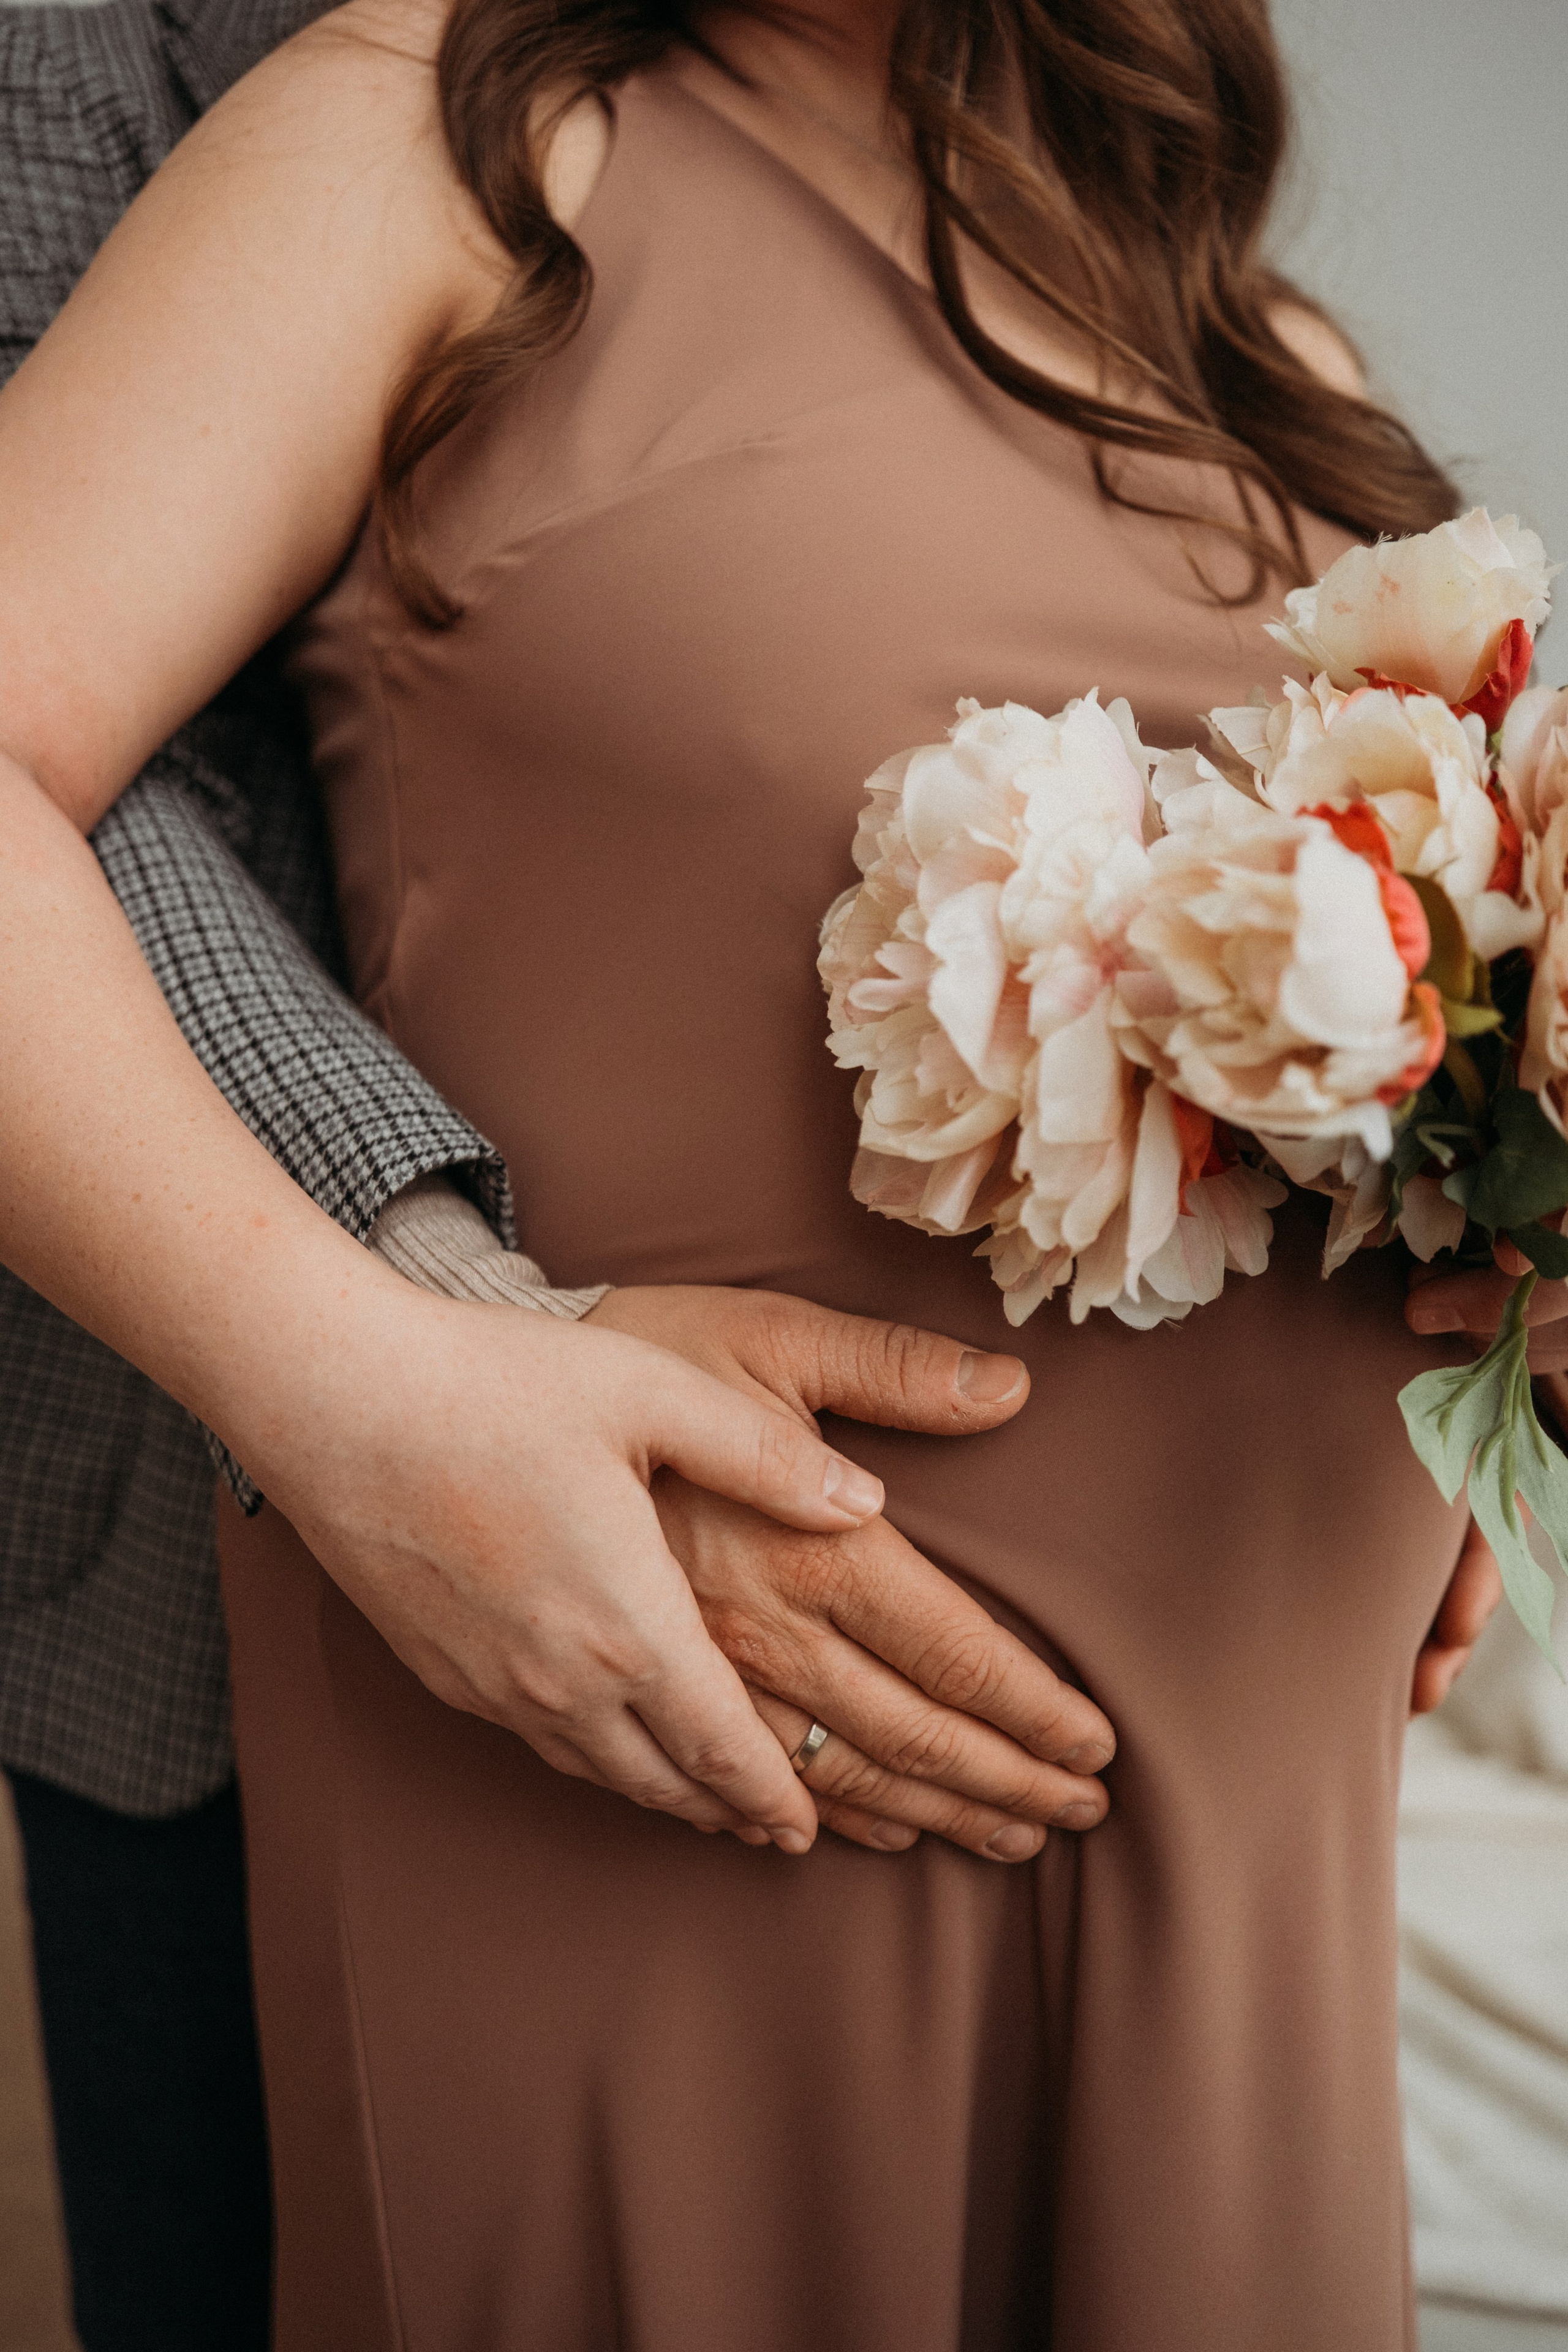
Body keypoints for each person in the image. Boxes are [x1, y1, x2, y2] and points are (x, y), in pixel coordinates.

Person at [0, 0, 1531, 2343]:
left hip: (1250, 1891)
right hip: (648, 1799)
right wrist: (355, 1389)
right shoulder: (435, 152)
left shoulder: (1254, 342)